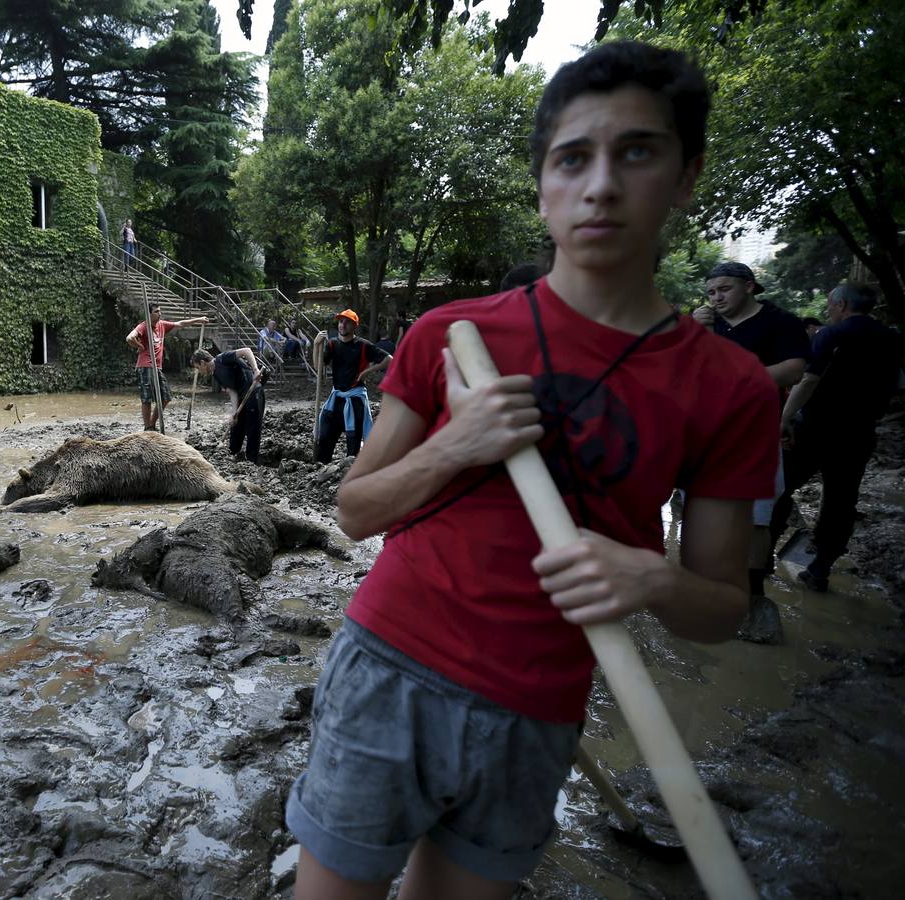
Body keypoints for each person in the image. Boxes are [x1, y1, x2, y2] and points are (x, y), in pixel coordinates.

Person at [287, 41, 778, 900]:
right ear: (543, 185)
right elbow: (356, 511)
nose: (600, 186)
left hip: (541, 705)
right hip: (388, 668)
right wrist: (454, 445)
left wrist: (649, 578)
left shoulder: (731, 387)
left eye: (636, 152)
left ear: (687, 175)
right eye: (571, 159)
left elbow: (722, 610)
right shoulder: (451, 335)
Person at [692, 260, 810, 635]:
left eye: (724, 289)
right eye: (711, 292)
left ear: (749, 286)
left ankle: (753, 595)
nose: (717, 297)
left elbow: (794, 369)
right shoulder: (707, 324)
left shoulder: (780, 321)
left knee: (756, 518)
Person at [769, 283, 904, 591]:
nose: (829, 312)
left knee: (780, 488)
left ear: (841, 304)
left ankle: (763, 559)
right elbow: (898, 383)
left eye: (831, 306)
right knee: (842, 500)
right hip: (859, 432)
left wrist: (785, 418)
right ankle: (820, 569)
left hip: (816, 429)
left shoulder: (832, 334)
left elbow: (808, 380)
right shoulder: (892, 338)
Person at [311, 309, 391, 464]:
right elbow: (318, 367)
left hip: (355, 401)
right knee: (325, 436)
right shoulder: (333, 344)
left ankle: (351, 473)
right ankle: (321, 470)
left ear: (355, 326)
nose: (343, 325)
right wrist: (316, 345)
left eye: (347, 322)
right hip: (337, 399)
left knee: (353, 444)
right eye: (341, 321)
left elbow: (389, 359)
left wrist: (368, 371)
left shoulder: (363, 346)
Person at [125, 304, 208, 431]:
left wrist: (198, 320)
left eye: (160, 311)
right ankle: (148, 427)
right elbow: (130, 338)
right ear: (149, 314)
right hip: (145, 366)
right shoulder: (143, 326)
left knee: (165, 397)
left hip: (157, 367)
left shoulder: (162, 325)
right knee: (146, 399)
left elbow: (180, 324)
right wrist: (140, 346)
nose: (160, 314)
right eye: (156, 311)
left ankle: (151, 425)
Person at [192, 347, 266, 462]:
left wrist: (255, 370)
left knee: (253, 427)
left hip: (253, 390)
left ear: (202, 362)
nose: (199, 371)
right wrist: (233, 413)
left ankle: (252, 461)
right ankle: (233, 453)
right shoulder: (216, 374)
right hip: (241, 395)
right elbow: (232, 392)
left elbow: (246, 351)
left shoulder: (223, 358)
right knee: (236, 425)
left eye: (198, 368)